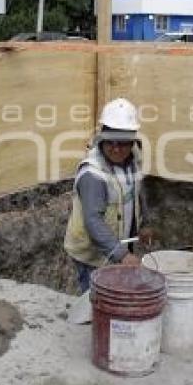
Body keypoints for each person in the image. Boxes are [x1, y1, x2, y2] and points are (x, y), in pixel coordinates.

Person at [64, 98, 150, 293]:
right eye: (110, 142)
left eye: (123, 143)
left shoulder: (134, 156)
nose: (116, 149)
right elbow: (93, 220)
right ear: (102, 137)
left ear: (132, 140)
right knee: (96, 300)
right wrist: (121, 255)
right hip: (91, 255)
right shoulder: (93, 174)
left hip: (116, 245)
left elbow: (138, 188)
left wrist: (145, 224)